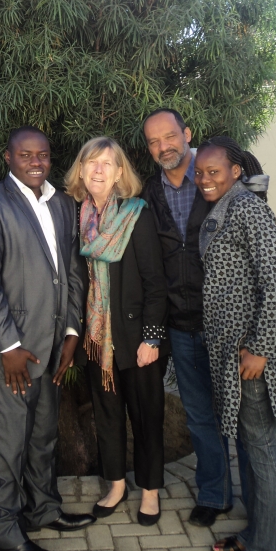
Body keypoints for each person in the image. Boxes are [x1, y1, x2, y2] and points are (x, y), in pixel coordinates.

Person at [0, 126, 95, 551]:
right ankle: (4, 527)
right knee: (8, 444)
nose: (36, 161)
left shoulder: (61, 202)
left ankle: (44, 509)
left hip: (53, 345)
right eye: (26, 154)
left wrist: (73, 333)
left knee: (42, 436)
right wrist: (9, 345)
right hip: (13, 355)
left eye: (42, 153)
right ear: (8, 157)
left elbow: (73, 272)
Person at [194, 136, 276, 551]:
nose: (204, 180)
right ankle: (258, 534)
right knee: (248, 447)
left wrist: (260, 349)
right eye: (200, 172)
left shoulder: (246, 208)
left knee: (259, 453)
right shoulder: (228, 206)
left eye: (213, 172)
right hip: (231, 355)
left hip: (249, 358)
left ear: (235, 171)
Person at [65, 137, 168, 526]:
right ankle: (116, 485)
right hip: (97, 340)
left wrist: (152, 338)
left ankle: (151, 491)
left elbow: (156, 282)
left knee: (146, 416)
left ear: (120, 173)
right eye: (91, 162)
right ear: (80, 170)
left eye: (107, 163)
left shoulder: (136, 215)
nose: (98, 170)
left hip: (136, 338)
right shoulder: (76, 217)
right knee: (107, 416)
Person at [142, 109, 237, 527]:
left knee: (246, 418)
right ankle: (214, 494)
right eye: (153, 141)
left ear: (187, 134)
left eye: (169, 136)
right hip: (182, 325)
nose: (164, 146)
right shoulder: (149, 193)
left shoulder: (216, 176)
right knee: (199, 415)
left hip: (227, 322)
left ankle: (257, 493)